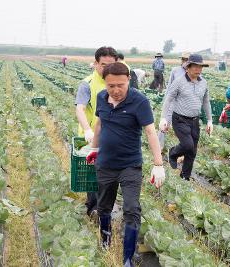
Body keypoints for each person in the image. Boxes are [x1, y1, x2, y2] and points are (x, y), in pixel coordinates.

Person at [86, 62, 165, 266]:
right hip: (105, 164)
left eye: (121, 85)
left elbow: (150, 132)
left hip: (130, 165)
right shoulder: (101, 98)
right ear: (105, 82)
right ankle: (106, 240)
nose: (116, 90)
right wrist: (94, 149)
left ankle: (127, 257)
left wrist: (158, 164)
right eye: (111, 85)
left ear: (129, 80)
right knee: (104, 206)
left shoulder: (139, 101)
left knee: (131, 209)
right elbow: (99, 125)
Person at [75, 46, 118, 218]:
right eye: (103, 64)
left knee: (109, 175)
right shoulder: (88, 84)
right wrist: (87, 130)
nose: (107, 68)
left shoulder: (118, 83)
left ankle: (104, 208)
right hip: (91, 136)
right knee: (92, 175)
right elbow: (80, 108)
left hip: (112, 138)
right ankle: (93, 208)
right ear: (95, 64)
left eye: (111, 65)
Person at [159, 54, 213, 180]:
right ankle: (173, 153)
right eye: (195, 66)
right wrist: (163, 118)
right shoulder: (179, 81)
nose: (198, 69)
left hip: (195, 120)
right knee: (188, 145)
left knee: (192, 151)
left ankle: (185, 176)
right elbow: (169, 99)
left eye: (200, 67)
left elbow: (206, 102)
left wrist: (210, 120)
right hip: (180, 119)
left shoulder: (203, 83)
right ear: (188, 67)